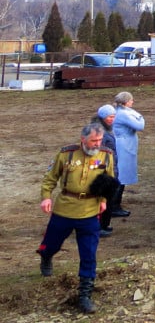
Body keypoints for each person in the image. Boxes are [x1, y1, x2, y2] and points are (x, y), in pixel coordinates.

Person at [37, 122, 115, 313]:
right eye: (93, 140)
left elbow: (110, 180)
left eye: (99, 140)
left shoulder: (106, 155)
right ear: (83, 139)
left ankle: (85, 294)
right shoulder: (66, 154)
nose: (97, 144)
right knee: (52, 243)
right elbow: (50, 178)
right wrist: (46, 197)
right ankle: (46, 257)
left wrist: (104, 199)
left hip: (90, 212)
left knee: (89, 254)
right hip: (65, 209)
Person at [111, 90, 143, 217]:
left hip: (125, 144)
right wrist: (139, 116)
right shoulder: (124, 114)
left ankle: (115, 204)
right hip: (124, 146)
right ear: (125, 102)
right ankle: (114, 205)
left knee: (121, 175)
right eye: (131, 100)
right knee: (121, 176)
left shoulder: (121, 112)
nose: (133, 102)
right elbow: (140, 125)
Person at [91, 104, 119, 237]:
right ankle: (99, 226)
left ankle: (104, 224)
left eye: (114, 116)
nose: (112, 119)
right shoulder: (99, 132)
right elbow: (97, 154)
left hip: (111, 167)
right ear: (103, 117)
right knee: (102, 199)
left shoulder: (107, 129)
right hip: (104, 170)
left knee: (108, 198)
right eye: (110, 116)